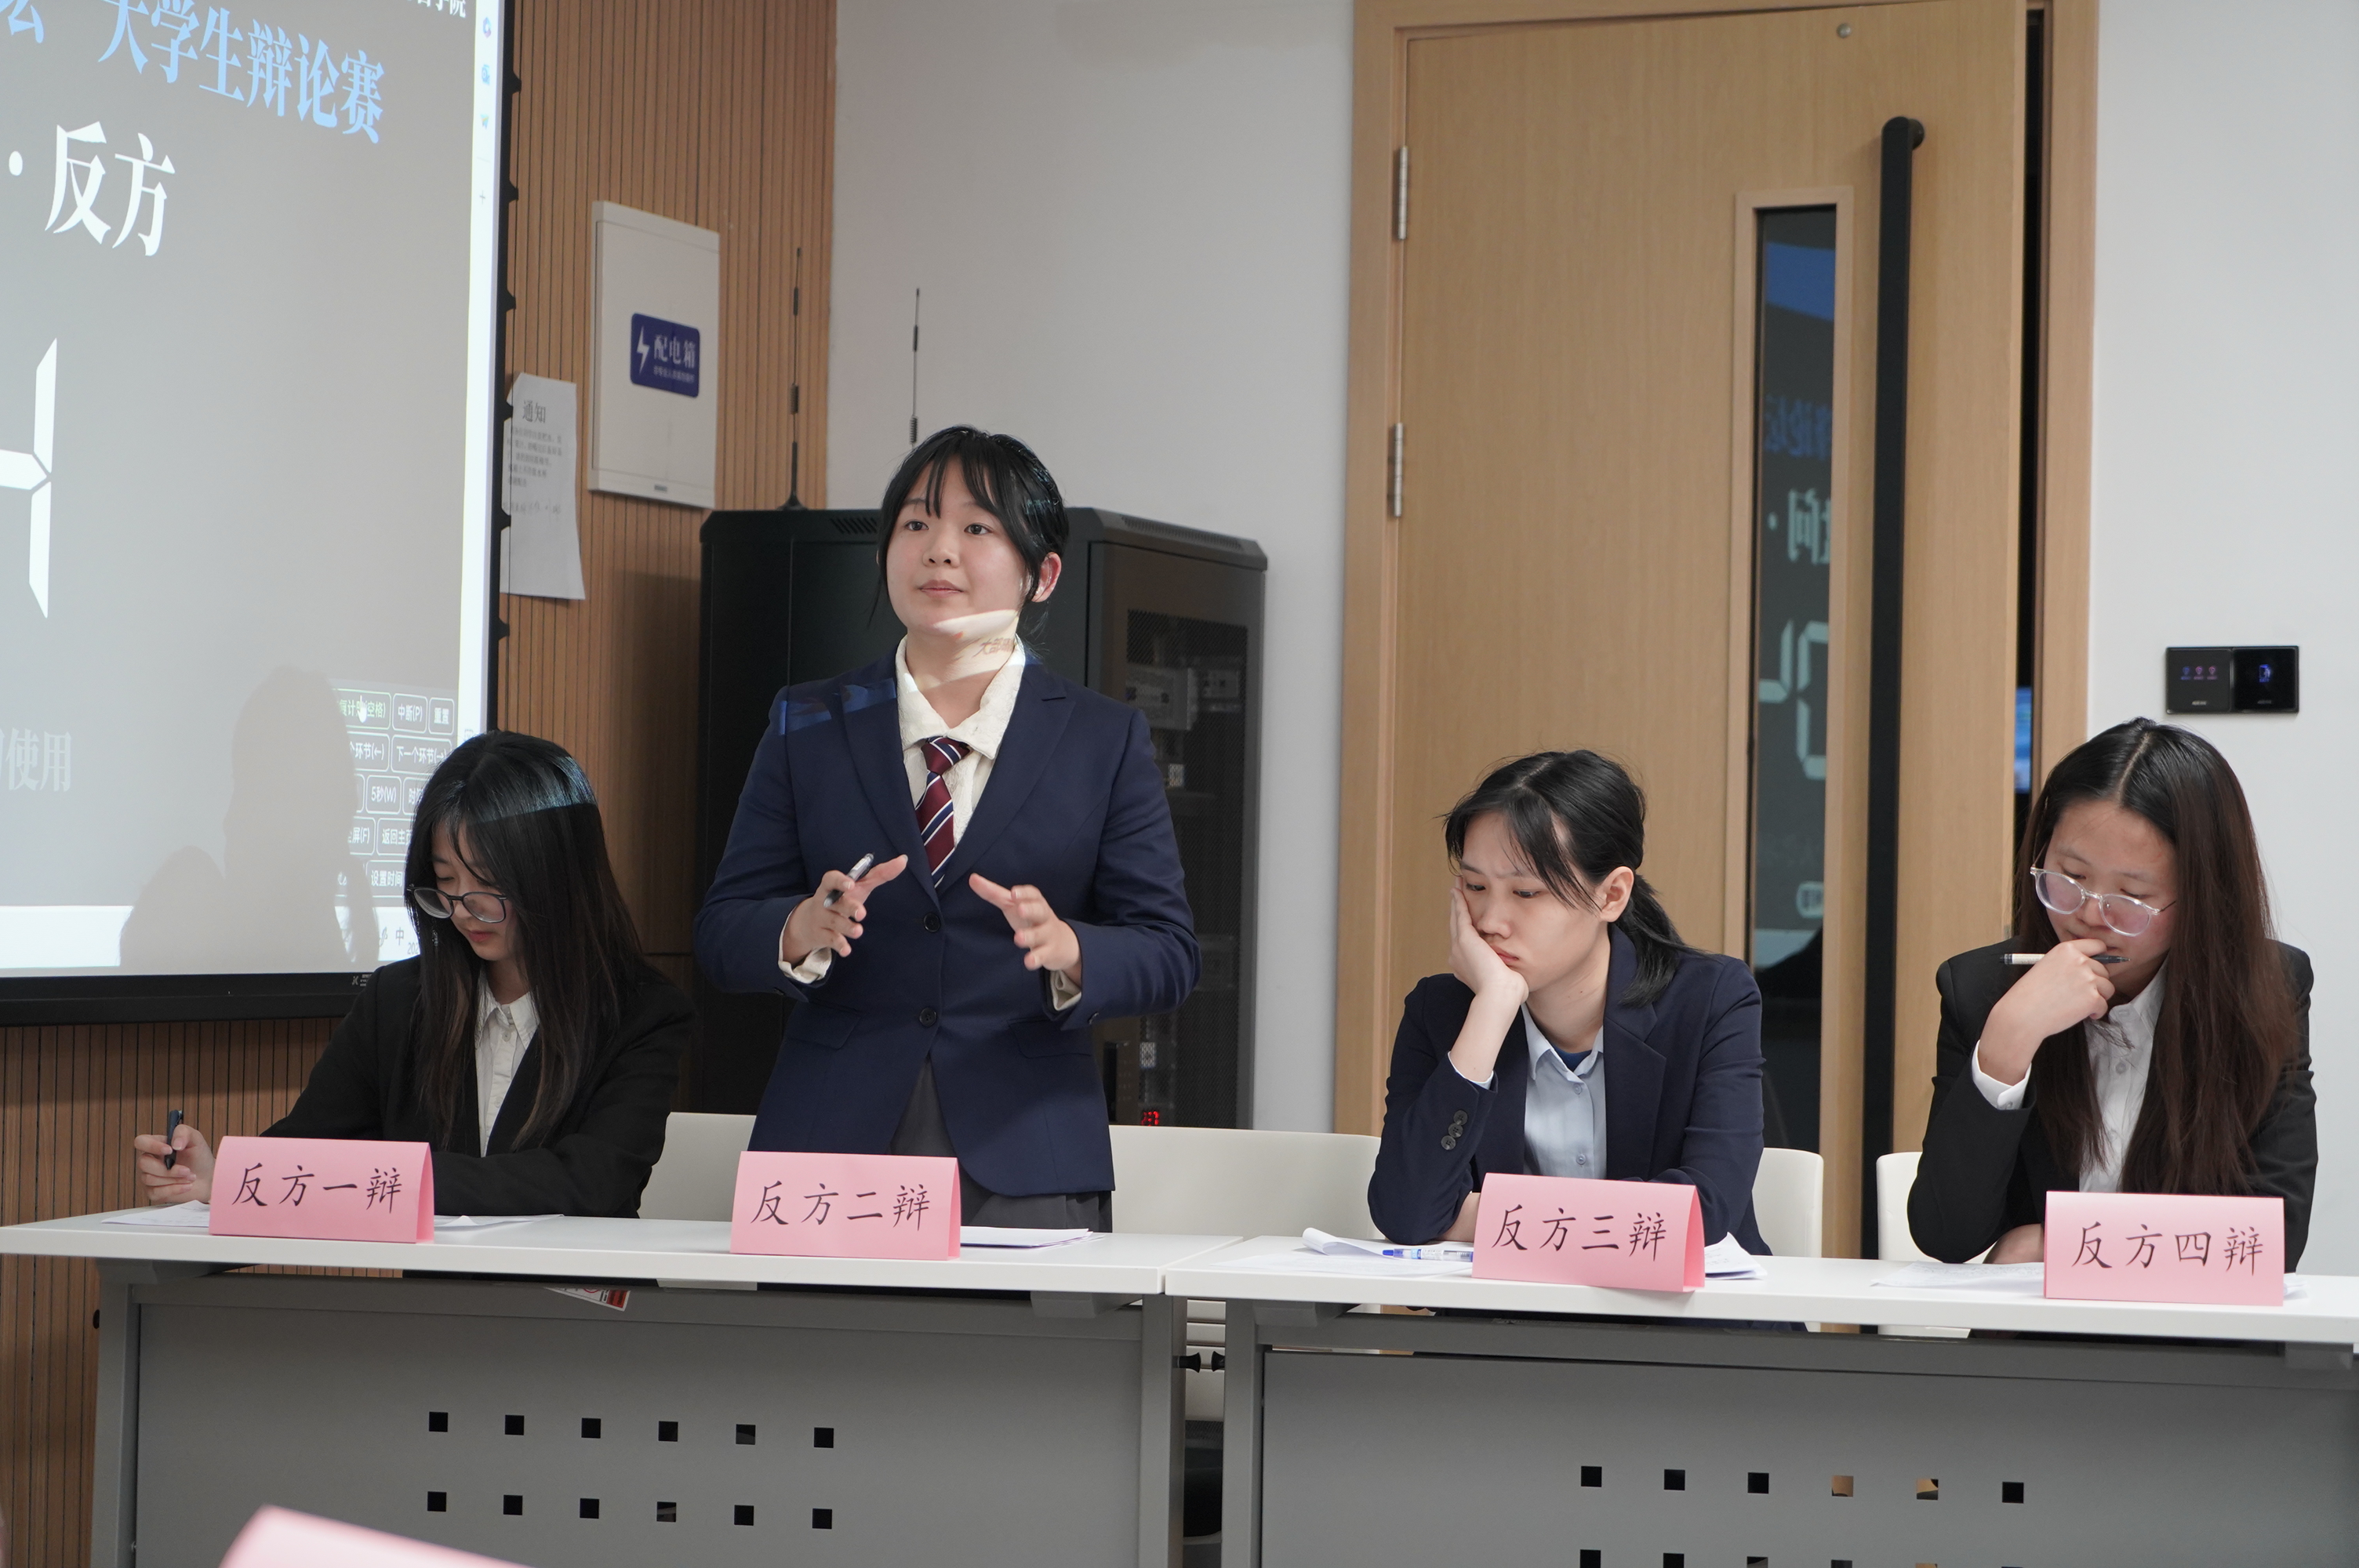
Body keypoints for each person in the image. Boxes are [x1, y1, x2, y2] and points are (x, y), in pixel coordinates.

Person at [694, 426, 1198, 1230]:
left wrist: (1070, 947)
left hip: (1026, 1150)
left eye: (976, 527)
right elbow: (722, 931)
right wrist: (799, 927)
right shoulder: (808, 720)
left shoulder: (1103, 739)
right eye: (916, 522)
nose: (939, 549)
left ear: (1042, 575)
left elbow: (1169, 953)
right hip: (831, 1149)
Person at [133, 733, 692, 1216]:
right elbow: (306, 1148)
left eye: (489, 882)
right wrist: (223, 1176)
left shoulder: (641, 1013)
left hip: (575, 1302)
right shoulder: (399, 1002)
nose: (463, 908)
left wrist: (391, 1179)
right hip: (430, 1303)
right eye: (445, 881)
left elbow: (592, 1182)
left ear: (557, 874)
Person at [1909, 718, 2315, 1265]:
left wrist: (2058, 1244)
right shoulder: (1981, 989)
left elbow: (2271, 1243)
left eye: (2131, 897)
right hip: (2033, 1321)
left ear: (2201, 898)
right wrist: (2006, 1045)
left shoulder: (2265, 989)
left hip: (2187, 1318)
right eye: (2070, 877)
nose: (2088, 916)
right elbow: (1946, 1237)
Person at [1368, 750, 1769, 1250]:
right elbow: (1407, 1213)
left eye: (1526, 893)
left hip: (1679, 1303)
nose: (1490, 921)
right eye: (1475, 886)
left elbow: (1701, 1215)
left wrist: (1478, 1216)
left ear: (1611, 895)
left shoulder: (1711, 999)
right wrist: (1492, 1008)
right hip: (1508, 1304)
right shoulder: (1442, 1011)